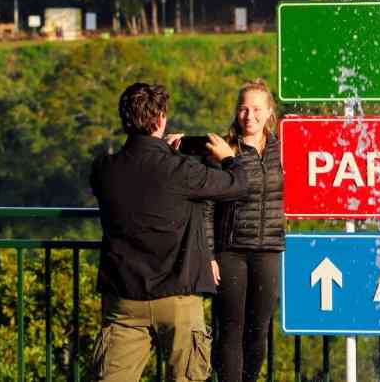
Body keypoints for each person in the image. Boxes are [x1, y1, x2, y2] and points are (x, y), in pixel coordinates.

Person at [90, 82, 248, 382]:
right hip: (179, 297)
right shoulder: (180, 171)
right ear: (161, 118)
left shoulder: (104, 169)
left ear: (125, 119)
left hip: (124, 298)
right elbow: (237, 184)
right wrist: (228, 157)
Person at [205, 79, 286, 382]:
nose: (248, 115)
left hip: (268, 249)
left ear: (268, 113)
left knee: (259, 330)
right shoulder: (223, 150)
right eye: (243, 109)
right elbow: (207, 207)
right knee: (230, 328)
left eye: (255, 109)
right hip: (231, 251)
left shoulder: (282, 149)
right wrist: (210, 254)